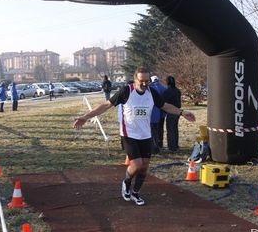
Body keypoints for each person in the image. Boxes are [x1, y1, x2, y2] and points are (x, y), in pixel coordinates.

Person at [74, 67, 195, 206]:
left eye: (147, 81)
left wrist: (182, 112)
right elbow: (106, 105)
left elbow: (165, 106)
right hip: (129, 134)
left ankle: (136, 193)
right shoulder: (126, 91)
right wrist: (86, 117)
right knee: (136, 165)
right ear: (135, 79)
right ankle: (126, 182)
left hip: (145, 135)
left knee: (144, 167)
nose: (144, 84)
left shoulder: (152, 92)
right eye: (141, 81)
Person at [164, 76, 182, 153]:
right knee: (175, 128)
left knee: (170, 129)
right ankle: (176, 145)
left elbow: (165, 102)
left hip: (171, 111)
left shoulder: (167, 91)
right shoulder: (177, 91)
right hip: (178, 111)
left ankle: (172, 147)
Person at [149, 75, 166, 154]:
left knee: (151, 131)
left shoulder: (149, 89)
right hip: (160, 113)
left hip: (151, 114)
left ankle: (152, 147)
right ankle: (159, 144)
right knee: (159, 130)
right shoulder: (163, 88)